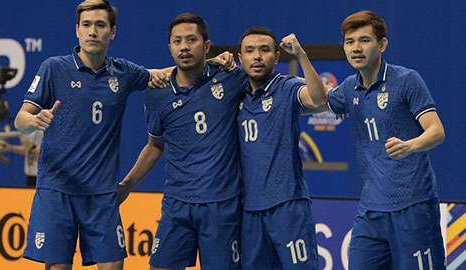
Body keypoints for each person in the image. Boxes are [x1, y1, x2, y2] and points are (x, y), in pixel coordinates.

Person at [14, 1, 171, 269]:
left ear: (112, 32)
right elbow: (20, 119)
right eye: (86, 25)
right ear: (77, 30)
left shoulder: (123, 73)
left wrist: (209, 63)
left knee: (113, 266)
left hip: (101, 193)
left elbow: (162, 75)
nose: (92, 31)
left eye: (100, 25)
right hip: (57, 188)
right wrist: (35, 120)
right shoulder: (53, 67)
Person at [117, 13, 247, 270]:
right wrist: (127, 185)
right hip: (177, 204)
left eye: (191, 40)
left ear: (207, 46)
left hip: (222, 204)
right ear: (170, 47)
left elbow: (269, 83)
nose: (184, 47)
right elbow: (155, 145)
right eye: (177, 41)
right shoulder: (157, 93)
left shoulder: (231, 78)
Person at [326, 11, 446, 269]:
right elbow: (316, 98)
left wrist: (410, 145)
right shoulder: (349, 87)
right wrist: (301, 57)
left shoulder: (406, 80)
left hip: (413, 206)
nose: (356, 48)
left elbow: (436, 131)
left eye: (364, 40)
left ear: (382, 44)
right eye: (350, 42)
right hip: (371, 210)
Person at [236, 26, 327, 269]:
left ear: (276, 57)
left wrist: (301, 55)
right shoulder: (233, 92)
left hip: (288, 205)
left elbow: (319, 99)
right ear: (240, 58)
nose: (257, 56)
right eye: (250, 50)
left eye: (265, 50)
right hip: (249, 210)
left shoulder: (286, 87)